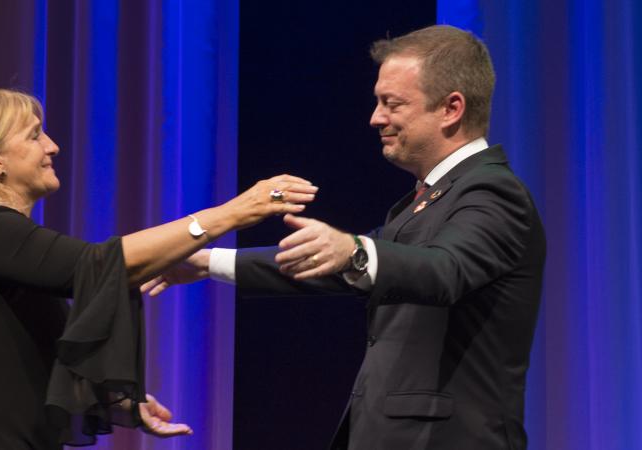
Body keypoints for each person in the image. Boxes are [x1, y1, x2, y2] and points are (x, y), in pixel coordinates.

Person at [143, 25, 546, 450]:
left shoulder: (493, 191)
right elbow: (340, 267)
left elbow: (444, 269)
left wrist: (353, 252)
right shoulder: (426, 199)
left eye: (392, 104)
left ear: (451, 109)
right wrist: (206, 263)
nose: (375, 118)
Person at [0, 88, 318, 450]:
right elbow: (98, 266)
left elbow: (25, 355)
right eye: (34, 136)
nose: (52, 146)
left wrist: (117, 404)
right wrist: (229, 214)